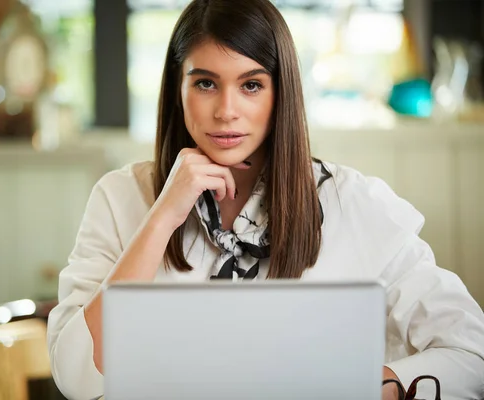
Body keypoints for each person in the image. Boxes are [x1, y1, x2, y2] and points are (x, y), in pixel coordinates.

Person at [46, 0, 484, 399]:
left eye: (251, 85)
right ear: (177, 88)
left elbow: (471, 354)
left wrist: (381, 386)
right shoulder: (121, 197)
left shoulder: (352, 202)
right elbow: (77, 378)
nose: (226, 110)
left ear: (281, 92)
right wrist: (161, 217)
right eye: (205, 83)